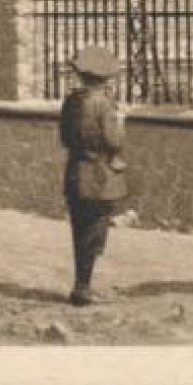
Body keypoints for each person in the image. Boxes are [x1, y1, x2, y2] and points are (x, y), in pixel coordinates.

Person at [59, 45, 130, 307]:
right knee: (95, 231)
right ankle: (83, 288)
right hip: (101, 175)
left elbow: (65, 138)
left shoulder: (71, 100)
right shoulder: (106, 104)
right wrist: (121, 120)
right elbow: (114, 140)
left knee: (79, 230)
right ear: (106, 76)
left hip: (77, 171)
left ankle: (81, 285)